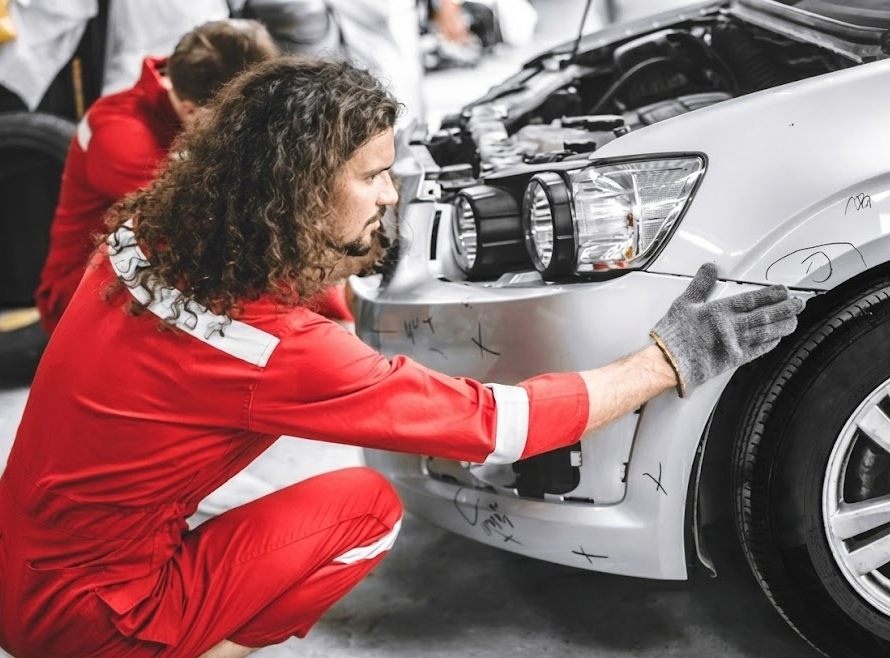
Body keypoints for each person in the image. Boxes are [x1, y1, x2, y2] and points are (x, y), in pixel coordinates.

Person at [0, 56, 804, 658]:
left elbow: (283, 285)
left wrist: (343, 246)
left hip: (20, 555)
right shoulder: (275, 353)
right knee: (365, 508)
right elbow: (500, 425)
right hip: (91, 616)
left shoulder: (149, 235)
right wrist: (669, 358)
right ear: (298, 190)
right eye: (375, 175)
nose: (391, 195)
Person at [34, 18, 280, 336]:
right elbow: (206, 231)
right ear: (192, 113)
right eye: (240, 121)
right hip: (84, 298)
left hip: (155, 279)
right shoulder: (119, 133)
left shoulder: (196, 91)